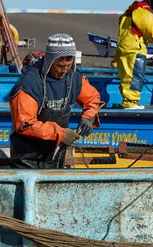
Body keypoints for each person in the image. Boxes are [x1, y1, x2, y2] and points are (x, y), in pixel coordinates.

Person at [9, 34, 104, 169]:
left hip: (56, 155)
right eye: (59, 65)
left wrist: (89, 117)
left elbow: (92, 98)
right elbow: (25, 124)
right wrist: (60, 133)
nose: (64, 71)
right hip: (27, 159)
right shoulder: (29, 83)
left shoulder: (73, 78)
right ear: (49, 61)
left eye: (68, 65)